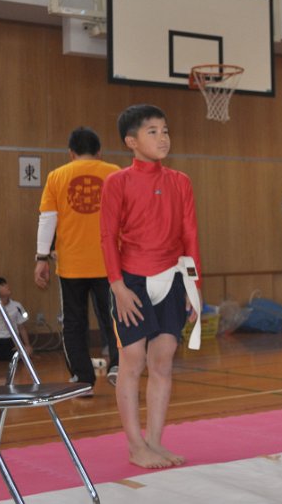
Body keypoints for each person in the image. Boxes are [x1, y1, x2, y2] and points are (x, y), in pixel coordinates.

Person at [100, 104, 202, 469]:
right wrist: (118, 287)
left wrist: (193, 286)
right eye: (153, 132)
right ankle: (135, 445)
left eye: (166, 130)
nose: (163, 138)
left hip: (172, 277)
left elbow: (190, 235)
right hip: (132, 281)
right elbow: (107, 237)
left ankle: (155, 441)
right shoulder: (117, 182)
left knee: (163, 361)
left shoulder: (180, 181)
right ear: (131, 141)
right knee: (132, 361)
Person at [35, 126, 121, 388]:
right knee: (116, 318)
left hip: (72, 264)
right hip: (110, 263)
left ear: (71, 153)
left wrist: (41, 258)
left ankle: (82, 378)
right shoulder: (115, 173)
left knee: (73, 322)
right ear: (99, 152)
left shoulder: (56, 176)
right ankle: (119, 367)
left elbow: (47, 219)